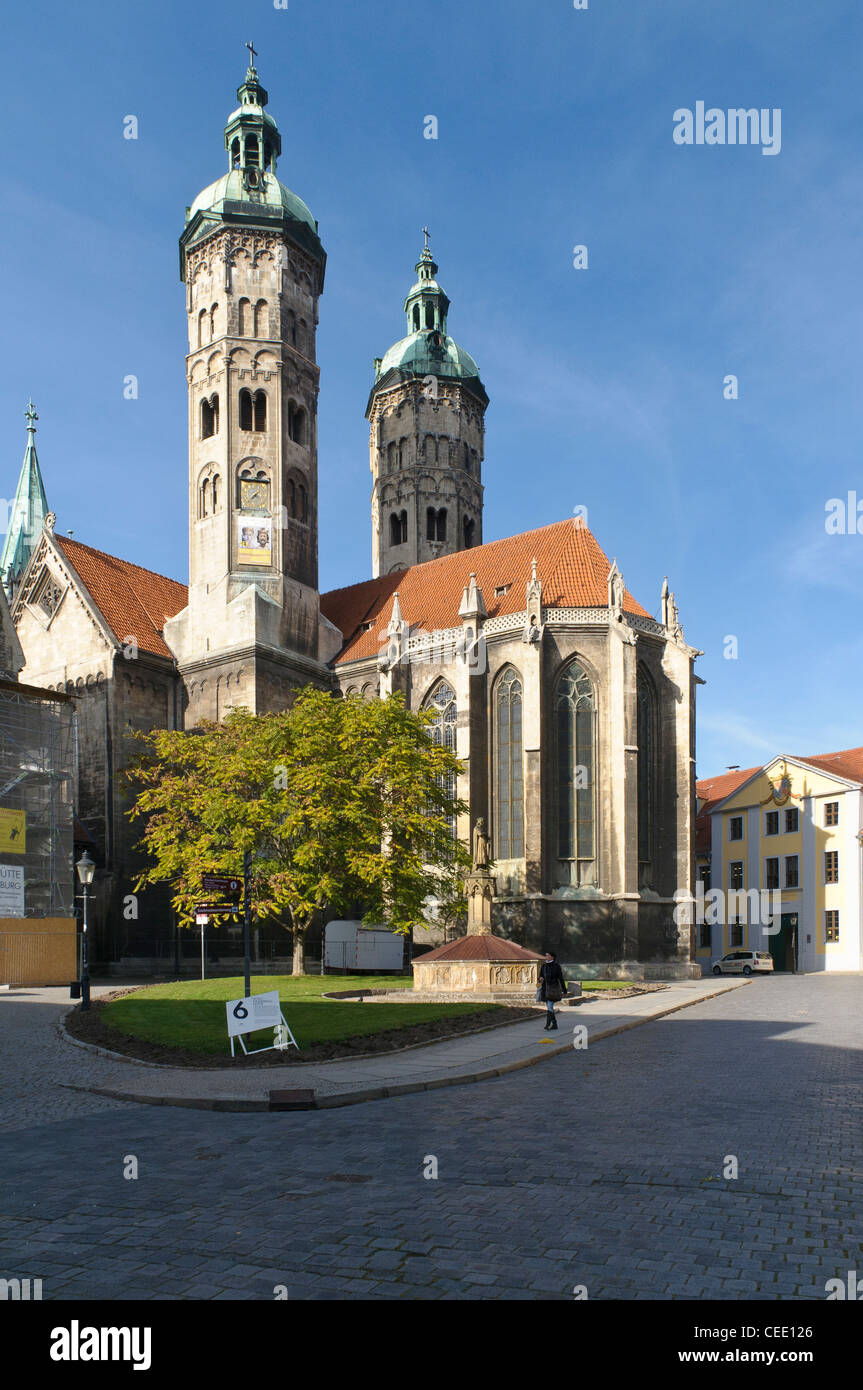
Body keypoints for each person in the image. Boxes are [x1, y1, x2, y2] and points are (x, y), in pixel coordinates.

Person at [538, 950, 568, 1029]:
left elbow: (561, 978)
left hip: (553, 989)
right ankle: (554, 1024)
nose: (546, 957)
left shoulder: (556, 966)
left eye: (548, 955)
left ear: (552, 957)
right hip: (545, 989)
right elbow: (540, 976)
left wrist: (564, 990)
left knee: (550, 1006)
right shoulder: (544, 966)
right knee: (549, 1007)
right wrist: (540, 979)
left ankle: (548, 1024)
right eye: (546, 955)